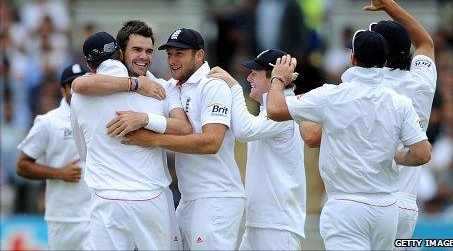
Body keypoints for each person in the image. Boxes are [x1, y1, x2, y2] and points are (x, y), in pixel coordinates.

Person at [266, 31, 432, 249]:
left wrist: (279, 80)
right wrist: (398, 157)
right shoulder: (399, 102)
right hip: (387, 208)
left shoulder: (332, 95)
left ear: (352, 59)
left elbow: (274, 109)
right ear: (383, 61)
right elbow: (422, 153)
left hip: (345, 206)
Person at [305, 0, 438, 242]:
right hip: (406, 205)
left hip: (369, 199)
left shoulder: (363, 93)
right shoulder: (421, 80)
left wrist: (301, 102)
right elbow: (425, 43)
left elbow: (313, 137)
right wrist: (389, 4)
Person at [120, 28, 245, 250]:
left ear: (199, 55)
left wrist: (153, 140)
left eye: (180, 54)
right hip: (189, 198)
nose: (172, 60)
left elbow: (211, 142)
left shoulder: (213, 86)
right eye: (169, 54)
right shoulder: (172, 86)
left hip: (216, 196)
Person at [70, 31, 191, 250]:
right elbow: (183, 128)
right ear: (120, 53)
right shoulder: (159, 89)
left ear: (89, 65)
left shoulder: (81, 93)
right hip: (150, 198)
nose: (143, 56)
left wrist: (144, 120)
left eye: (148, 51)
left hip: (106, 200)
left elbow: (83, 151)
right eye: (137, 50)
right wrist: (136, 86)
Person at [207, 49, 306, 250]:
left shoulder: (285, 108)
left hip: (278, 227)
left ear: (273, 79)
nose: (249, 77)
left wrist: (234, 87)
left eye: (255, 73)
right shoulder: (269, 110)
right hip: (261, 222)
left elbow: (244, 131)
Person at [16, 63, 91, 250]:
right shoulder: (48, 122)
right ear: (63, 90)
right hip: (63, 218)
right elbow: (22, 166)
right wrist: (60, 173)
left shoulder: (99, 117)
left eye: (82, 83)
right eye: (72, 85)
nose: (78, 89)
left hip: (96, 214)